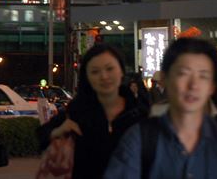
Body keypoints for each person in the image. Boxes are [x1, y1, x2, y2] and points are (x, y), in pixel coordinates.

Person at [104, 38, 217, 179]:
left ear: (212, 86)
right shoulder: (140, 139)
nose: (193, 85)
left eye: (203, 76)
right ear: (165, 78)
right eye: (183, 74)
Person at [37, 44, 147, 179]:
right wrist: (58, 131)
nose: (104, 76)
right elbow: (41, 136)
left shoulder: (140, 114)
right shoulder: (77, 110)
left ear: (121, 71)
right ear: (87, 77)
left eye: (110, 68)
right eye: (95, 71)